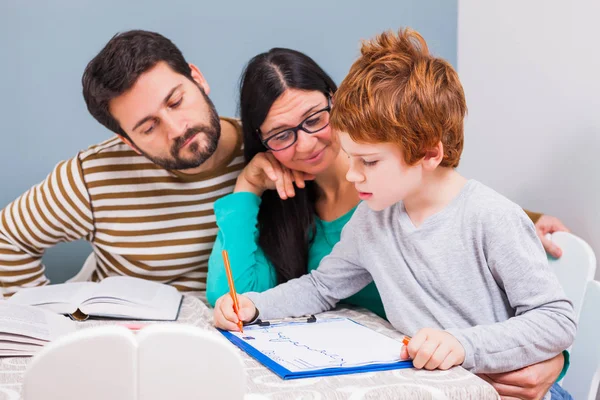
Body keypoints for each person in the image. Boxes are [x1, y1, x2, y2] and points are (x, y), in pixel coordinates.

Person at [213, 28, 576, 399]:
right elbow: (322, 287)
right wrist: (256, 305)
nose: (353, 174)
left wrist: (464, 345)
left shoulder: (491, 218)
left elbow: (557, 320)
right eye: (351, 158)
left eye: (368, 161)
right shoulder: (372, 219)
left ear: (429, 154)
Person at [0, 30, 243, 302]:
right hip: (133, 335)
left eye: (176, 102)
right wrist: (39, 318)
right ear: (128, 141)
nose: (176, 129)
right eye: (149, 127)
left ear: (197, 79)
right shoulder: (92, 177)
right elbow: (6, 239)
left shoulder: (274, 149)